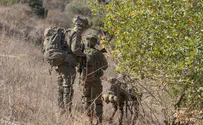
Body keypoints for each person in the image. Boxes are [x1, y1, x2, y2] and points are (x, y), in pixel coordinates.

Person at [56, 15, 90, 115]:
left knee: (60, 87)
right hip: (68, 65)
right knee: (68, 88)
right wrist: (84, 56)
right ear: (82, 26)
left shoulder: (68, 31)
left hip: (61, 62)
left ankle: (60, 110)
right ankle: (67, 112)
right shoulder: (77, 33)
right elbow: (75, 49)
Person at [81, 28, 108, 124]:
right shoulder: (99, 53)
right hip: (96, 81)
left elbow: (78, 67)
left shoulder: (82, 52)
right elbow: (105, 67)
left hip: (84, 81)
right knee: (98, 101)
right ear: (95, 42)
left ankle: (89, 120)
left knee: (87, 100)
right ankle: (99, 121)